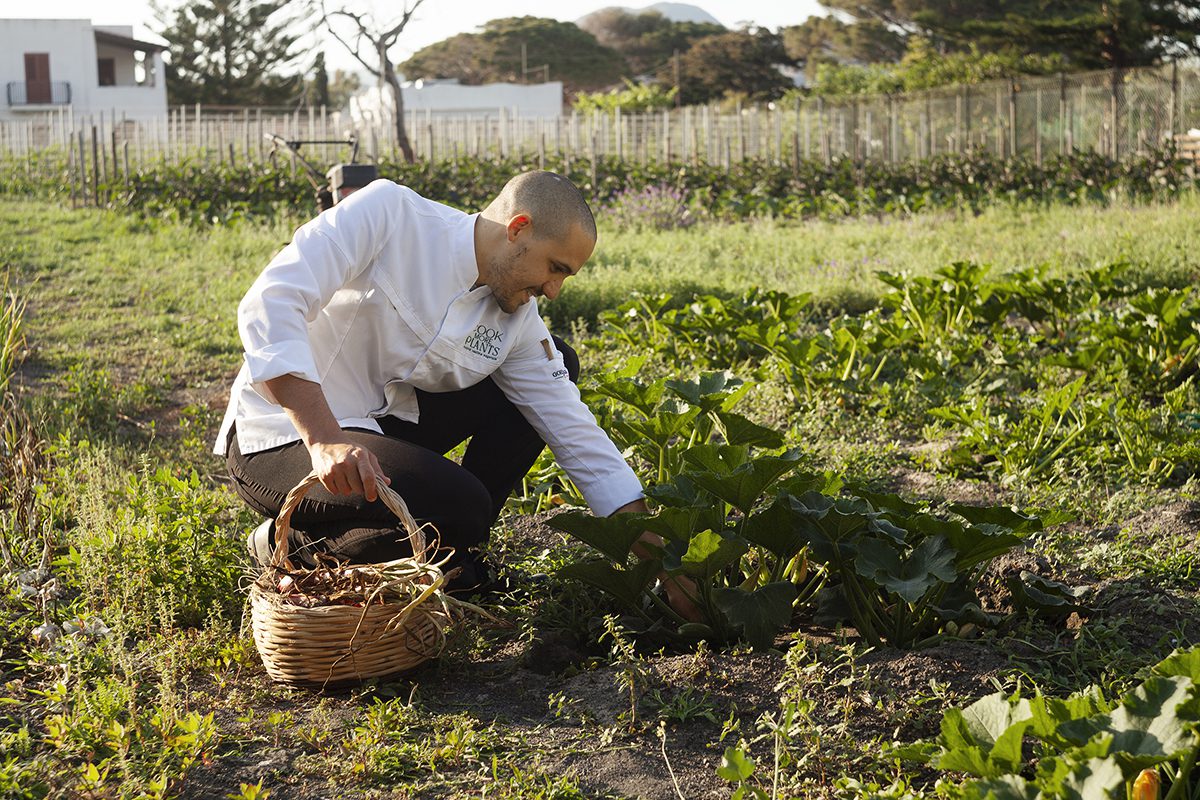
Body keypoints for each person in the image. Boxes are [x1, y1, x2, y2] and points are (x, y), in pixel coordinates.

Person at [214, 171, 693, 614]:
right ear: (518, 228)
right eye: (555, 267)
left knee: (557, 365)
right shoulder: (390, 215)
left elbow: (576, 434)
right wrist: (324, 438)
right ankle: (290, 544)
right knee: (461, 503)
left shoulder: (516, 321)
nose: (554, 290)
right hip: (283, 433)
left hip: (378, 429)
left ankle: (454, 554)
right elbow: (271, 301)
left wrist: (666, 564)